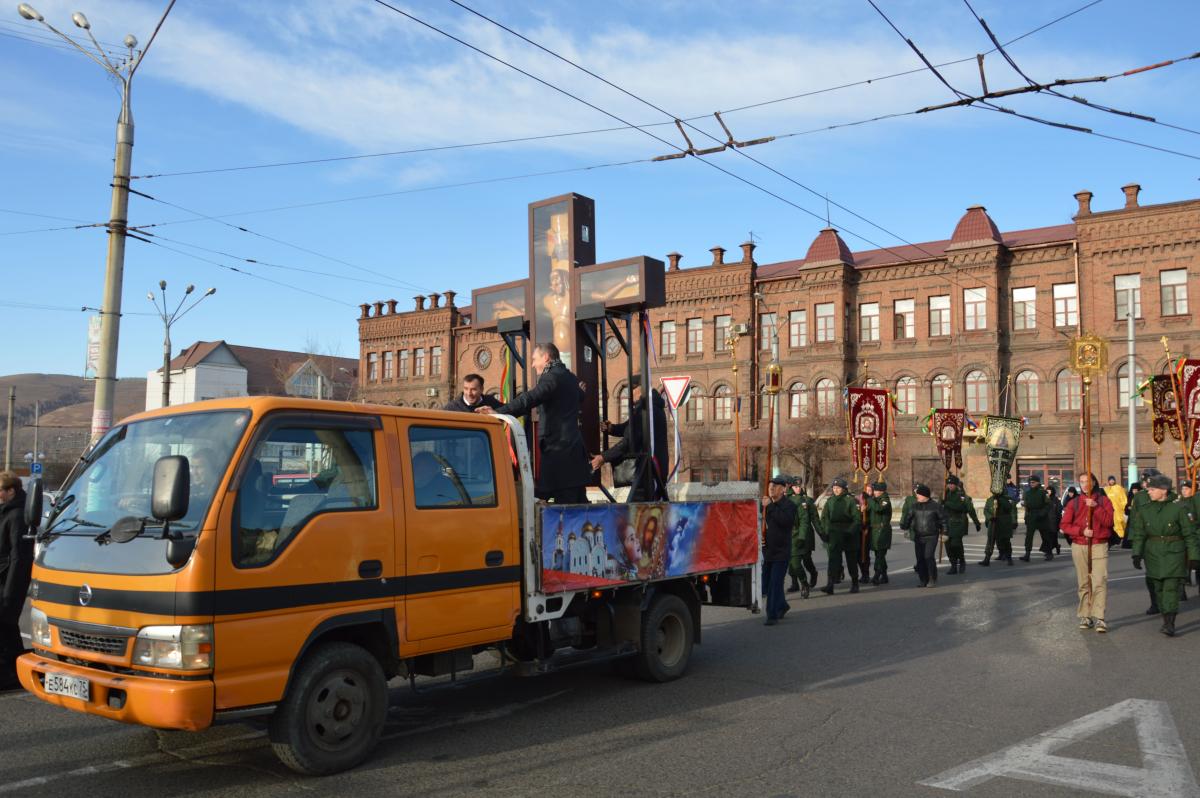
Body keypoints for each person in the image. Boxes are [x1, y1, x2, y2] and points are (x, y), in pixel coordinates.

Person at [477, 343, 590, 503]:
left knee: (566, 511)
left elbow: (530, 398)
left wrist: (499, 412)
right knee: (578, 506)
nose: (532, 364)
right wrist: (581, 392)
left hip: (560, 454)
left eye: (534, 359)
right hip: (574, 454)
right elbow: (578, 396)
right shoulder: (569, 377)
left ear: (546, 357)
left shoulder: (551, 377)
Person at [1130, 474, 1200, 637]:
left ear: (1164, 490)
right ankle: (1165, 615)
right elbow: (1140, 533)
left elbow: (1189, 535)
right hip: (1153, 553)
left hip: (1174, 553)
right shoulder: (1145, 509)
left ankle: (1169, 622)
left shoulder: (1179, 507)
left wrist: (1194, 556)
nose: (1149, 492)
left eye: (1152, 489)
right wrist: (1136, 554)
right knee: (1158, 587)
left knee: (1170, 587)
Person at [590, 377, 668, 502]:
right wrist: (612, 428)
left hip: (647, 471)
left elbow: (629, 440)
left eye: (632, 389)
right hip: (653, 469)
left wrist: (603, 457)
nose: (630, 394)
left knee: (638, 514)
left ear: (640, 389)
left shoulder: (645, 409)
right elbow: (631, 428)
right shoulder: (652, 406)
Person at [1060, 472, 1115, 633]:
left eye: (1087, 481)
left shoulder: (1104, 500)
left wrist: (1095, 507)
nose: (1084, 485)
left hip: (1099, 544)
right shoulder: (1074, 503)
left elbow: (1109, 521)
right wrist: (1081, 531)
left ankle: (1099, 617)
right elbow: (1064, 525)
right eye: (1081, 482)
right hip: (1080, 545)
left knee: (1099, 581)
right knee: (1083, 582)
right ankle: (1085, 615)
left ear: (1094, 482)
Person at [0, 472, 32, 691]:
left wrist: (10, 592)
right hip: (4, 579)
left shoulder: (18, 515)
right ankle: (17, 672)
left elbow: (18, 557)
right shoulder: (7, 512)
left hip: (8, 583)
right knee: (8, 629)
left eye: (1, 490)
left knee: (5, 625)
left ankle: (7, 675)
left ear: (11, 490)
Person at [761, 476, 796, 626]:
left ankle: (772, 614)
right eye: (770, 486)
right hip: (767, 551)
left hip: (781, 551)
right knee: (767, 583)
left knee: (775, 584)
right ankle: (782, 605)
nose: (771, 489)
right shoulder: (765, 505)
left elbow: (785, 521)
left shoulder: (789, 505)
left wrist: (770, 507)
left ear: (783, 489)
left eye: (775, 486)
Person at [900, 484, 946, 587]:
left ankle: (932, 579)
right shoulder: (915, 506)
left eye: (919, 494)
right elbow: (908, 517)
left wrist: (945, 533)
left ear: (925, 495)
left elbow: (943, 520)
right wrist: (905, 527)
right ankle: (923, 579)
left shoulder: (936, 506)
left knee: (928, 556)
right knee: (920, 558)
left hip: (931, 536)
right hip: (919, 536)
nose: (917, 496)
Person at [820, 478, 861, 594]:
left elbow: (857, 520)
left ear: (844, 489)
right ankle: (830, 584)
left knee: (851, 560)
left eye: (838, 488)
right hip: (834, 533)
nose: (836, 490)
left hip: (848, 534)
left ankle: (855, 583)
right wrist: (824, 532)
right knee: (833, 560)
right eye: (834, 488)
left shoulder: (851, 501)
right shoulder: (830, 501)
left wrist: (850, 531)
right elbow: (825, 518)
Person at [787, 479, 820, 597]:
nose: (798, 488)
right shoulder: (786, 500)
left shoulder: (807, 501)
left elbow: (813, 520)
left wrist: (821, 532)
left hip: (804, 535)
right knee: (793, 563)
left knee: (806, 560)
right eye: (795, 487)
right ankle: (799, 583)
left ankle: (813, 573)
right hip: (790, 536)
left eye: (799, 486)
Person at [941, 475, 980, 575]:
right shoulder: (945, 494)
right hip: (946, 523)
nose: (950, 486)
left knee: (956, 544)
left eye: (952, 484)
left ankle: (961, 561)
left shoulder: (961, 495)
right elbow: (940, 508)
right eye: (949, 484)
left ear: (956, 484)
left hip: (958, 523)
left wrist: (976, 522)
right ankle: (953, 565)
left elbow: (963, 508)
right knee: (948, 545)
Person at [1021, 474, 1055, 562]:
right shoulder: (1027, 493)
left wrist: (1042, 513)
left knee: (1045, 536)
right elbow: (1026, 506)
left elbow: (1049, 505)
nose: (1031, 484)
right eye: (1030, 482)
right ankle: (1027, 554)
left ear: (1038, 483)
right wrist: (1026, 517)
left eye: (1033, 482)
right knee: (1029, 536)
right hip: (1031, 516)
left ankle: (1049, 553)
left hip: (1041, 517)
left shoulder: (1043, 492)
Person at [981, 487, 1016, 566]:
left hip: (1004, 522)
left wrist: (1000, 499)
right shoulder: (990, 499)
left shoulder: (1007, 499)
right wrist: (990, 517)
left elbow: (1010, 508)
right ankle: (987, 559)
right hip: (993, 522)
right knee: (990, 541)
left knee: (1005, 541)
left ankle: (1009, 558)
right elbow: (986, 510)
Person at [867, 481, 893, 585]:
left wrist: (869, 499)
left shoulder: (885, 500)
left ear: (881, 491)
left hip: (882, 530)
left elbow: (878, 509)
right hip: (874, 531)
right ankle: (884, 575)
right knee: (879, 554)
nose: (874, 492)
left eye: (876, 490)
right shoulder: (875, 500)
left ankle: (877, 575)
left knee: (880, 555)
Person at [1105, 476, 1128, 549]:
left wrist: (1124, 507)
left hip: (1118, 510)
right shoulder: (1107, 489)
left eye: (1112, 480)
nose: (1111, 481)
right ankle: (1114, 540)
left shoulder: (1119, 488)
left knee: (1120, 523)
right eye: (1110, 480)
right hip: (1109, 511)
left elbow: (1123, 499)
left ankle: (1121, 538)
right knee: (1112, 525)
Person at [1048, 484, 1064, 555]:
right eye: (1047, 491)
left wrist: (1058, 520)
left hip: (1054, 521)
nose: (1048, 492)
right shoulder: (1045, 499)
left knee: (1053, 536)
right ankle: (1057, 546)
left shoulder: (1056, 500)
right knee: (1050, 537)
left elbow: (1059, 510)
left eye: (1049, 491)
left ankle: (1049, 551)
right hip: (1047, 521)